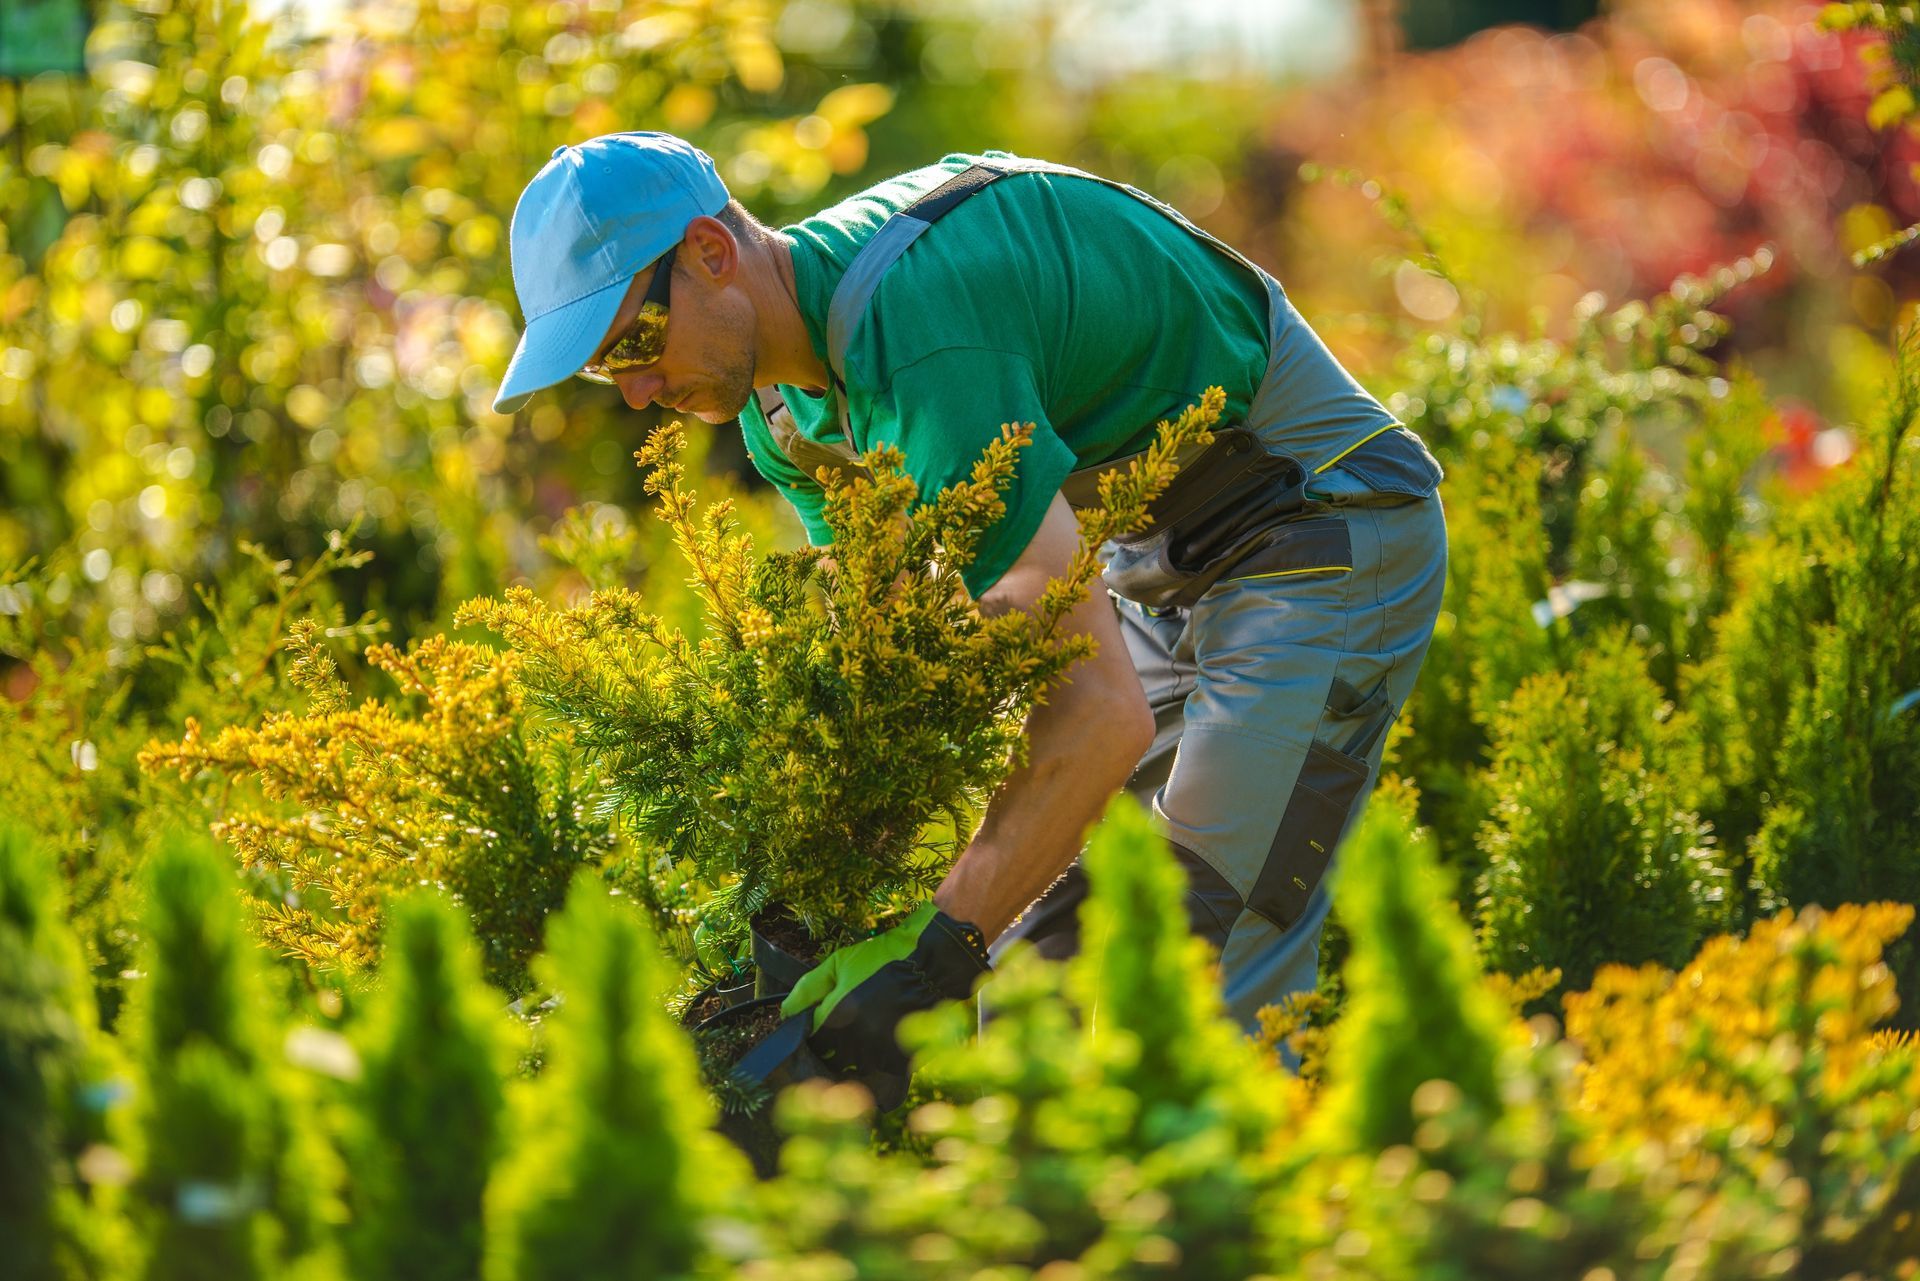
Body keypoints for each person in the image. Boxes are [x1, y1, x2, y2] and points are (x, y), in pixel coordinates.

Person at [493, 132, 1447, 1106]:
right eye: (603, 369)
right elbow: (907, 658)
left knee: (1200, 944)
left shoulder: (926, 334)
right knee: (1045, 982)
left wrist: (938, 950)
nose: (638, 392)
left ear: (709, 253)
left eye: (637, 344)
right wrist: (818, 905)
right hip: (1161, 567)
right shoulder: (784, 413)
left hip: (1319, 520)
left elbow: (1094, 716)